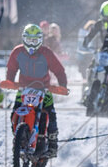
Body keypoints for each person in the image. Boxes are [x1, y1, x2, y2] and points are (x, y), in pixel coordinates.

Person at [5, 24, 69, 158]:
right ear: (24, 39)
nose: (31, 43)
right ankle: (19, 138)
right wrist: (9, 81)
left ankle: (52, 145)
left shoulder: (46, 53)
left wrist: (62, 85)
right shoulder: (17, 52)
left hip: (44, 89)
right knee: (14, 112)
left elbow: (59, 70)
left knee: (50, 114)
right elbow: (11, 69)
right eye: (29, 40)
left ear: (40, 40)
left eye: (35, 40)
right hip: (24, 89)